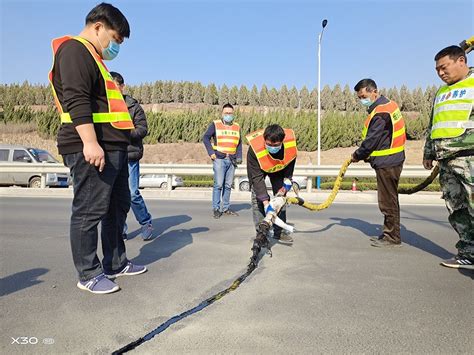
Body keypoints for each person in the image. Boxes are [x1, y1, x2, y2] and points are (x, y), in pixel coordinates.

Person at [49, 3, 146, 294]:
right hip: (90, 146)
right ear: (98, 27)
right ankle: (88, 273)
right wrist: (90, 142)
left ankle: (116, 262)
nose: (115, 46)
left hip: (112, 146)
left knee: (116, 207)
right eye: (115, 39)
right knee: (89, 209)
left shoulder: (95, 58)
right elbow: (77, 100)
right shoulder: (75, 50)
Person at [423, 45, 474, 270]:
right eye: (437, 70)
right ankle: (468, 252)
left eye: (444, 67)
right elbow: (433, 124)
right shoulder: (441, 92)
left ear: (461, 61)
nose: (441, 73)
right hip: (446, 160)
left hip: (469, 158)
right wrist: (428, 153)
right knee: (457, 209)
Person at [351, 79, 406, 248]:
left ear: (374, 91)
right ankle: (390, 232)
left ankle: (392, 237)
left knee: (387, 201)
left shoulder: (381, 112)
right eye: (359, 97)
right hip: (393, 158)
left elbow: (372, 140)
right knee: (390, 199)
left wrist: (357, 155)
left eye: (364, 96)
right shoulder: (389, 105)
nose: (362, 100)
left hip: (387, 161)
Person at [110, 71, 154, 241]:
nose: (113, 90)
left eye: (115, 86)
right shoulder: (105, 106)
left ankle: (146, 222)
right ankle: (120, 228)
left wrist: (123, 134)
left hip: (129, 155)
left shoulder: (134, 107)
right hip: (111, 156)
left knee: (132, 193)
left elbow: (142, 130)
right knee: (114, 195)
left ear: (122, 86)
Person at [247, 124, 297, 243]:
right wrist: (265, 203)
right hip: (259, 168)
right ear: (264, 140)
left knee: (280, 200)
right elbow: (257, 179)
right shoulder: (255, 149)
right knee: (257, 198)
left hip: (278, 169)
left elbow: (288, 174)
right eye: (269, 144)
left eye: (275, 145)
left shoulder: (290, 147)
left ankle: (279, 232)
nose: (272, 147)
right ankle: (261, 233)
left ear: (282, 141)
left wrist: (284, 189)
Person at [203, 103, 242, 218]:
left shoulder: (237, 126)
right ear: (222, 113)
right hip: (219, 159)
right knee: (219, 185)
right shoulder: (215, 124)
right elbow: (205, 137)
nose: (228, 115)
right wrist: (211, 153)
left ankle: (225, 208)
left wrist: (239, 156)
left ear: (233, 114)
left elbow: (239, 143)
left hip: (232, 160)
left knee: (228, 185)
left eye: (230, 113)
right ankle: (216, 208)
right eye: (226, 113)